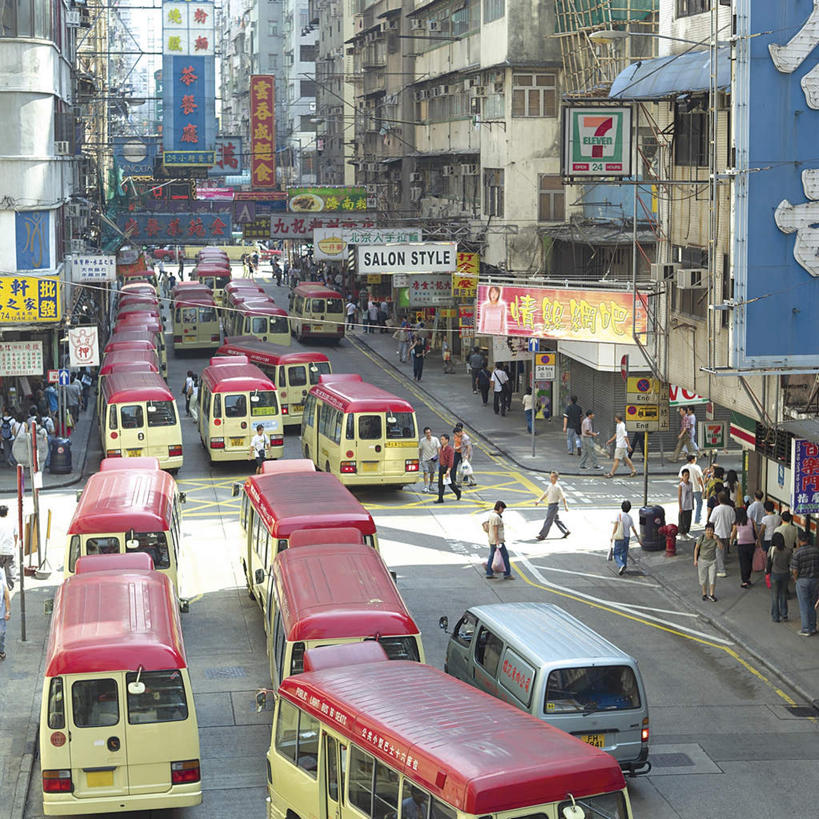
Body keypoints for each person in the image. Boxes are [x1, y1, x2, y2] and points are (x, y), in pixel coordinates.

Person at [790, 529, 819, 636]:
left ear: (799, 540)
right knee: (812, 604)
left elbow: (795, 570)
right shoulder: (816, 550)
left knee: (804, 605)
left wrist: (796, 578)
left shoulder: (797, 553)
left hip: (802, 580)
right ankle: (813, 627)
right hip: (815, 580)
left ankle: (806, 629)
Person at [535, 471, 570, 540]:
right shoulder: (550, 485)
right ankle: (566, 531)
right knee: (556, 519)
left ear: (556, 478)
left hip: (554, 506)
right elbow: (546, 493)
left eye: (553, 477)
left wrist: (566, 506)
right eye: (550, 477)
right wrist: (539, 500)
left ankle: (543, 535)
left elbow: (563, 497)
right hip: (551, 505)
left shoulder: (558, 487)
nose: (551, 478)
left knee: (548, 520)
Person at [610, 500, 642, 576]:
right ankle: (624, 566)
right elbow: (633, 529)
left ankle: (621, 565)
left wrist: (612, 536)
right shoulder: (630, 518)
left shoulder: (619, 515)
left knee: (616, 553)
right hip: (627, 537)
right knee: (624, 552)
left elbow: (616, 526)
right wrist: (638, 538)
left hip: (619, 536)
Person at [767, 531, 793, 622]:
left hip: (775, 574)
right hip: (785, 574)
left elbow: (769, 562)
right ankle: (784, 614)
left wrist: (767, 572)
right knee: (783, 595)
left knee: (775, 596)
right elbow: (790, 564)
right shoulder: (788, 550)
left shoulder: (772, 549)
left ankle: (775, 616)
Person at [710, 492, 736, 578]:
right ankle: (723, 563)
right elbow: (733, 522)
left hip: (718, 533)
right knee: (724, 550)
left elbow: (711, 521)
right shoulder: (731, 509)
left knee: (718, 552)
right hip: (727, 532)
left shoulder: (716, 509)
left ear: (719, 499)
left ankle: (721, 570)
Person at [694, 521, 722, 602]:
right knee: (703, 578)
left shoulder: (716, 537)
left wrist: (717, 540)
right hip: (702, 560)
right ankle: (704, 594)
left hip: (712, 561)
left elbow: (721, 547)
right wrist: (695, 560)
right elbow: (696, 548)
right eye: (708, 530)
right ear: (705, 530)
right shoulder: (701, 538)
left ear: (713, 531)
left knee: (712, 578)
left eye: (711, 530)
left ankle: (712, 594)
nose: (709, 532)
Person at [731, 507, 758, 588]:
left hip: (741, 545)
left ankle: (744, 581)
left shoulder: (737, 523)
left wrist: (731, 541)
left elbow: (733, 534)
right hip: (751, 544)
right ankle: (748, 578)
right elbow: (756, 531)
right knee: (749, 562)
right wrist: (758, 540)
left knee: (743, 563)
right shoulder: (751, 521)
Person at [485, 500, 512, 579]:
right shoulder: (496, 517)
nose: (503, 511)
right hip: (497, 540)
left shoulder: (491, 514)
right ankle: (507, 574)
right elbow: (495, 530)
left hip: (491, 539)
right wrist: (497, 541)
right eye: (502, 509)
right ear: (500, 508)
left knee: (491, 556)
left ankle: (489, 572)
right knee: (505, 556)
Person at [434, 433, 461, 503]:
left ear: (447, 440)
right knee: (440, 484)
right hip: (441, 468)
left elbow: (451, 461)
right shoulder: (441, 448)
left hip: (448, 468)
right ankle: (440, 498)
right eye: (441, 439)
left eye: (442, 439)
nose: (441, 441)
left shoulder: (450, 449)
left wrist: (448, 470)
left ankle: (458, 492)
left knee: (450, 483)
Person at [680, 455, 705, 524]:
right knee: (699, 503)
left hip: (686, 489)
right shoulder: (696, 467)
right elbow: (699, 479)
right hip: (696, 488)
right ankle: (697, 520)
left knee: (687, 505)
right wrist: (703, 487)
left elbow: (681, 479)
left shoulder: (683, 467)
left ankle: (686, 520)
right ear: (693, 460)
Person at [418, 426, 440, 493]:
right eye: (427, 433)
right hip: (425, 459)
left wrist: (439, 457)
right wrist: (419, 459)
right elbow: (420, 450)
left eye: (429, 432)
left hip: (433, 459)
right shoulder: (422, 441)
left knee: (432, 473)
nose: (428, 434)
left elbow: (438, 448)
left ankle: (431, 485)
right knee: (425, 472)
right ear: (425, 434)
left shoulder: (435, 439)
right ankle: (426, 486)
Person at [0, 505, 16, 590]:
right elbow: (15, 535)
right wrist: (14, 546)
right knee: (10, 570)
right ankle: (9, 587)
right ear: (7, 513)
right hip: (9, 550)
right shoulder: (12, 522)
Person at [678, 468, 694, 539]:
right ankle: (682, 533)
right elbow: (679, 497)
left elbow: (691, 495)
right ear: (683, 476)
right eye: (685, 475)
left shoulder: (691, 484)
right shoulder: (681, 485)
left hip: (689, 505)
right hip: (684, 506)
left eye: (688, 475)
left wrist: (692, 505)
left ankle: (686, 532)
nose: (687, 476)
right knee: (682, 520)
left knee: (688, 520)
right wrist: (680, 507)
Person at [0, 569, 9, 660]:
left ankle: (1, 650)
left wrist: (8, 611)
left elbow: (6, 596)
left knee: (1, 634)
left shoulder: (2, 583)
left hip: (1, 615)